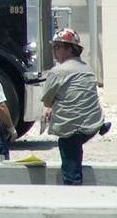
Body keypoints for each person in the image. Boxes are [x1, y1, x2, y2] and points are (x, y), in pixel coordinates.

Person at [42, 28, 109, 185]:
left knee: (68, 149)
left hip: (71, 127)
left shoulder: (58, 71)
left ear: (70, 49)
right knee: (75, 146)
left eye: (58, 47)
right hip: (94, 124)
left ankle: (74, 190)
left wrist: (51, 106)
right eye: (54, 47)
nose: (54, 51)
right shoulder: (88, 69)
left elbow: (47, 101)